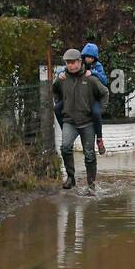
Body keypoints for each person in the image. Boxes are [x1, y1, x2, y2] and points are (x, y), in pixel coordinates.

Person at [52, 48, 108, 192]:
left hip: (87, 122)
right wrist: (60, 102)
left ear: (79, 61)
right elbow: (55, 90)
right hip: (70, 121)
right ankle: (71, 177)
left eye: (73, 62)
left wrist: (100, 111)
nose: (71, 65)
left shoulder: (90, 78)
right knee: (65, 147)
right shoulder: (62, 78)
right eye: (68, 63)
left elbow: (104, 92)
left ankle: (91, 185)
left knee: (89, 154)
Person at [80, 42, 108, 156]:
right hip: (81, 97)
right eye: (87, 56)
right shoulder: (79, 63)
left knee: (96, 113)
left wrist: (93, 72)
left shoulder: (98, 66)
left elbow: (105, 81)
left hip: (94, 98)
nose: (88, 59)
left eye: (91, 57)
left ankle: (100, 139)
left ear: (94, 58)